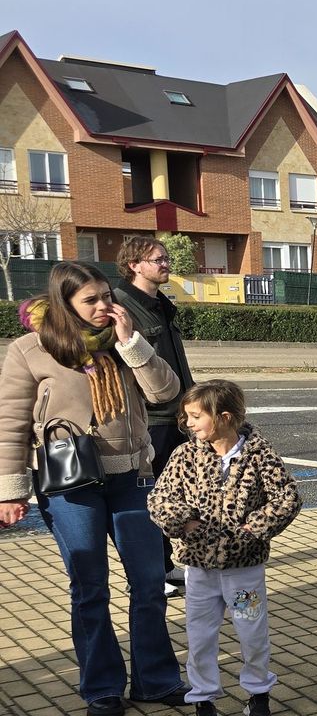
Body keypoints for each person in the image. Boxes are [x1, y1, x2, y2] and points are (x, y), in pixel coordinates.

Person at [0, 261, 184, 716]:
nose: (103, 306)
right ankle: (102, 686)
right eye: (90, 300)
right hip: (70, 484)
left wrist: (131, 344)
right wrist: (10, 491)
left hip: (132, 478)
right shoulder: (31, 349)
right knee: (90, 587)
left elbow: (166, 393)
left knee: (149, 583)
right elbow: (11, 424)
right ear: (65, 305)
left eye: (107, 296)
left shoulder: (124, 341)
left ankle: (156, 680)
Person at [146, 381, 302, 716]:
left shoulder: (259, 453)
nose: (188, 423)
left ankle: (258, 694)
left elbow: (287, 497)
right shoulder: (185, 455)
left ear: (224, 417)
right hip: (199, 570)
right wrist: (183, 520)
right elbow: (160, 498)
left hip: (244, 570)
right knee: (200, 636)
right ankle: (203, 699)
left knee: (252, 631)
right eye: (187, 416)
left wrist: (252, 529)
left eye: (196, 416)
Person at [112, 235, 196, 595]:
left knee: (169, 496)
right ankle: (147, 575)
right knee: (148, 499)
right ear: (134, 265)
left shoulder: (160, 303)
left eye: (165, 258)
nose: (166, 264)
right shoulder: (121, 306)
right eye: (158, 259)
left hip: (176, 414)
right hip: (150, 419)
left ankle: (164, 565)